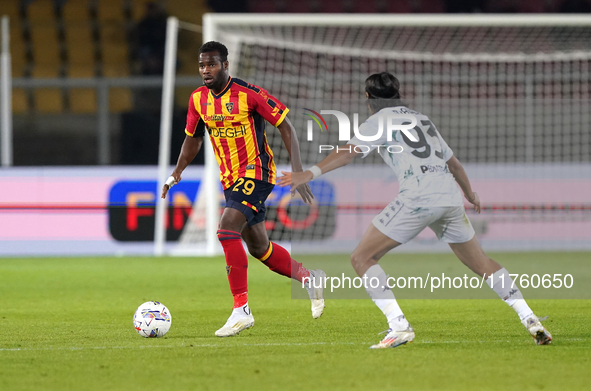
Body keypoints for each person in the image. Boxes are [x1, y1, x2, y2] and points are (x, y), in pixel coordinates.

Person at [278, 72, 552, 349]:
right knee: (481, 263)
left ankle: (398, 326)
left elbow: (349, 152)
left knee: (362, 257)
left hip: (419, 196)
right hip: (449, 197)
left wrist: (308, 173)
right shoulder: (421, 118)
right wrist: (470, 194)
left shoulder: (378, 120)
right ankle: (530, 318)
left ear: (367, 97)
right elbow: (454, 164)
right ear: (398, 94)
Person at [161, 41, 326, 337]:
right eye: (201, 65)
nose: (205, 70)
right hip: (229, 179)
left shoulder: (248, 93)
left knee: (226, 230)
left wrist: (299, 172)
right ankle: (309, 277)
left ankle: (241, 311)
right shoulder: (198, 99)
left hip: (256, 172)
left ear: (225, 65)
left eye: (211, 64)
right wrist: (177, 171)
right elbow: (193, 138)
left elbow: (285, 126)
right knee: (259, 248)